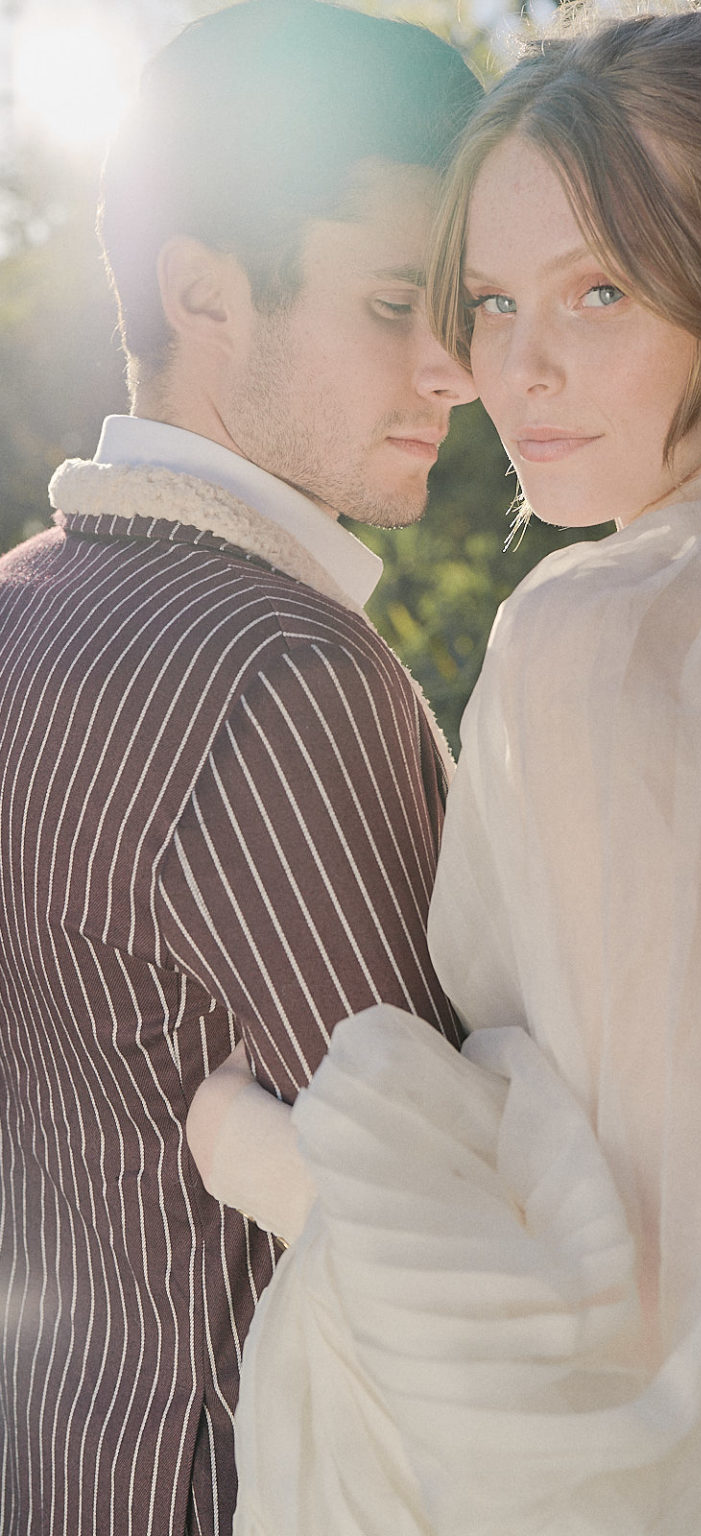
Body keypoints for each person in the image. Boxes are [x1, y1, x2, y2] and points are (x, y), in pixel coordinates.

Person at [188, 8, 701, 1534]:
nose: (521, 370)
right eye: (494, 299)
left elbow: (621, 1335)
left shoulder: (624, 630)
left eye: (600, 291)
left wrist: (266, 1154)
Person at [0, 4, 480, 1532]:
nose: (456, 369)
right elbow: (449, 1240)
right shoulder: (286, 677)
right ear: (203, 290)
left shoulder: (17, 599)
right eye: (398, 300)